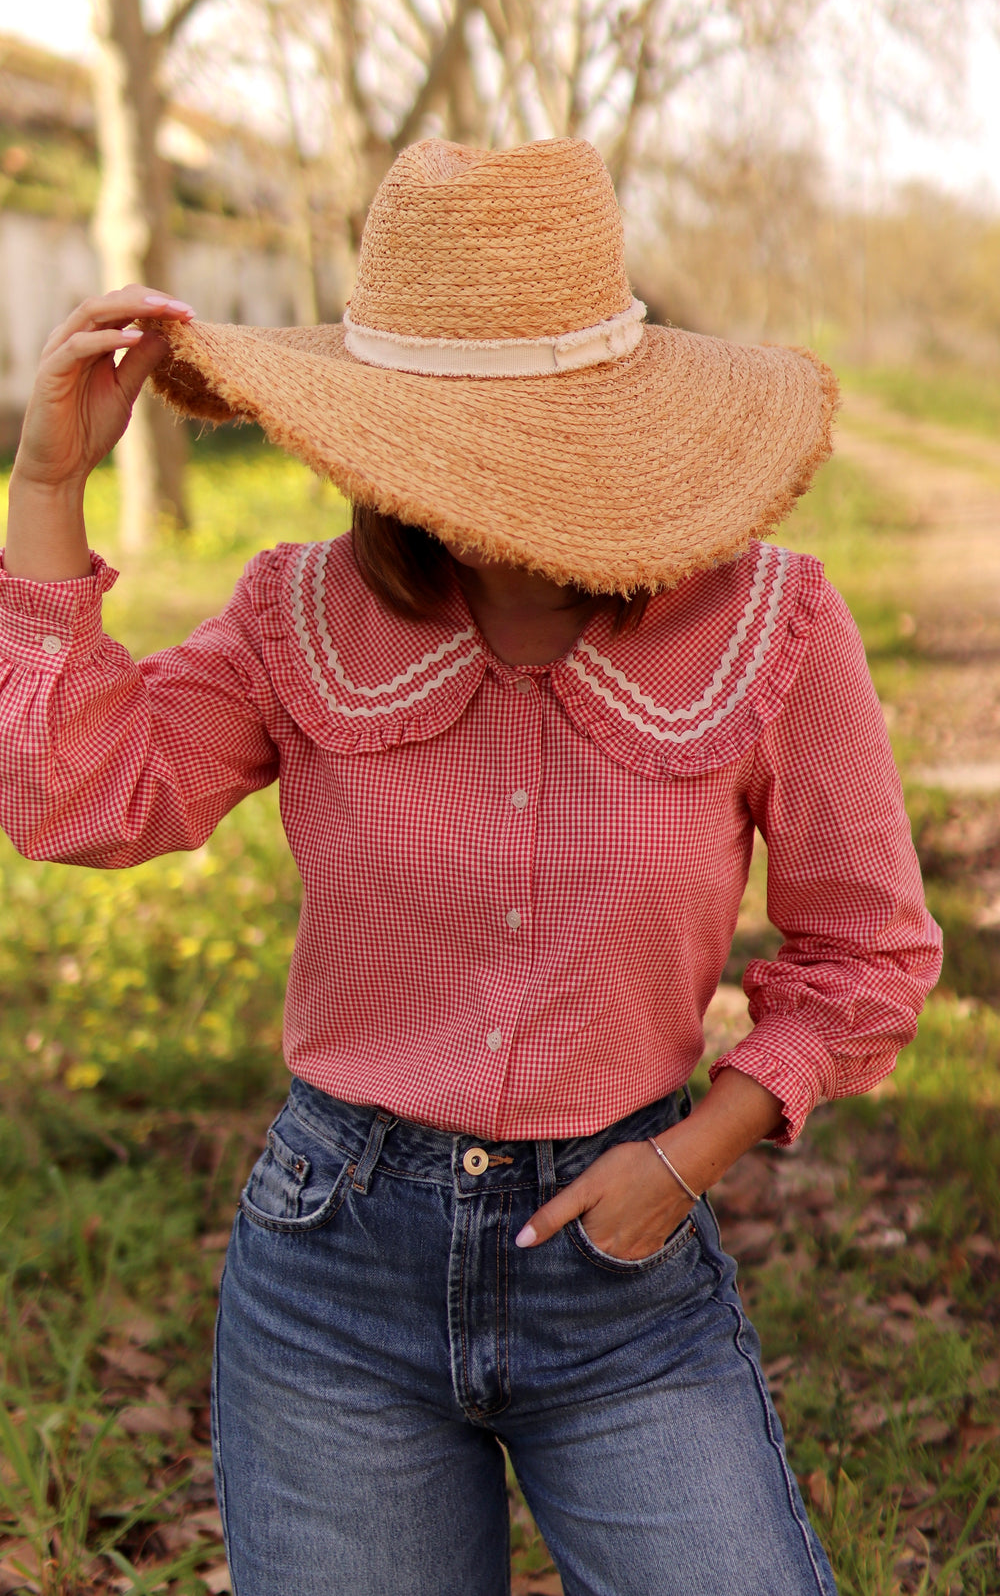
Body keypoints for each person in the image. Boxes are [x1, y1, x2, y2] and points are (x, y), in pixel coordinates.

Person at [0, 137, 941, 1596]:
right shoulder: (294, 612)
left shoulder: (778, 627)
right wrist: (50, 480)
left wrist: (690, 1159)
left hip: (623, 1274)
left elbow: (870, 957)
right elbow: (78, 802)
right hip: (333, 1266)